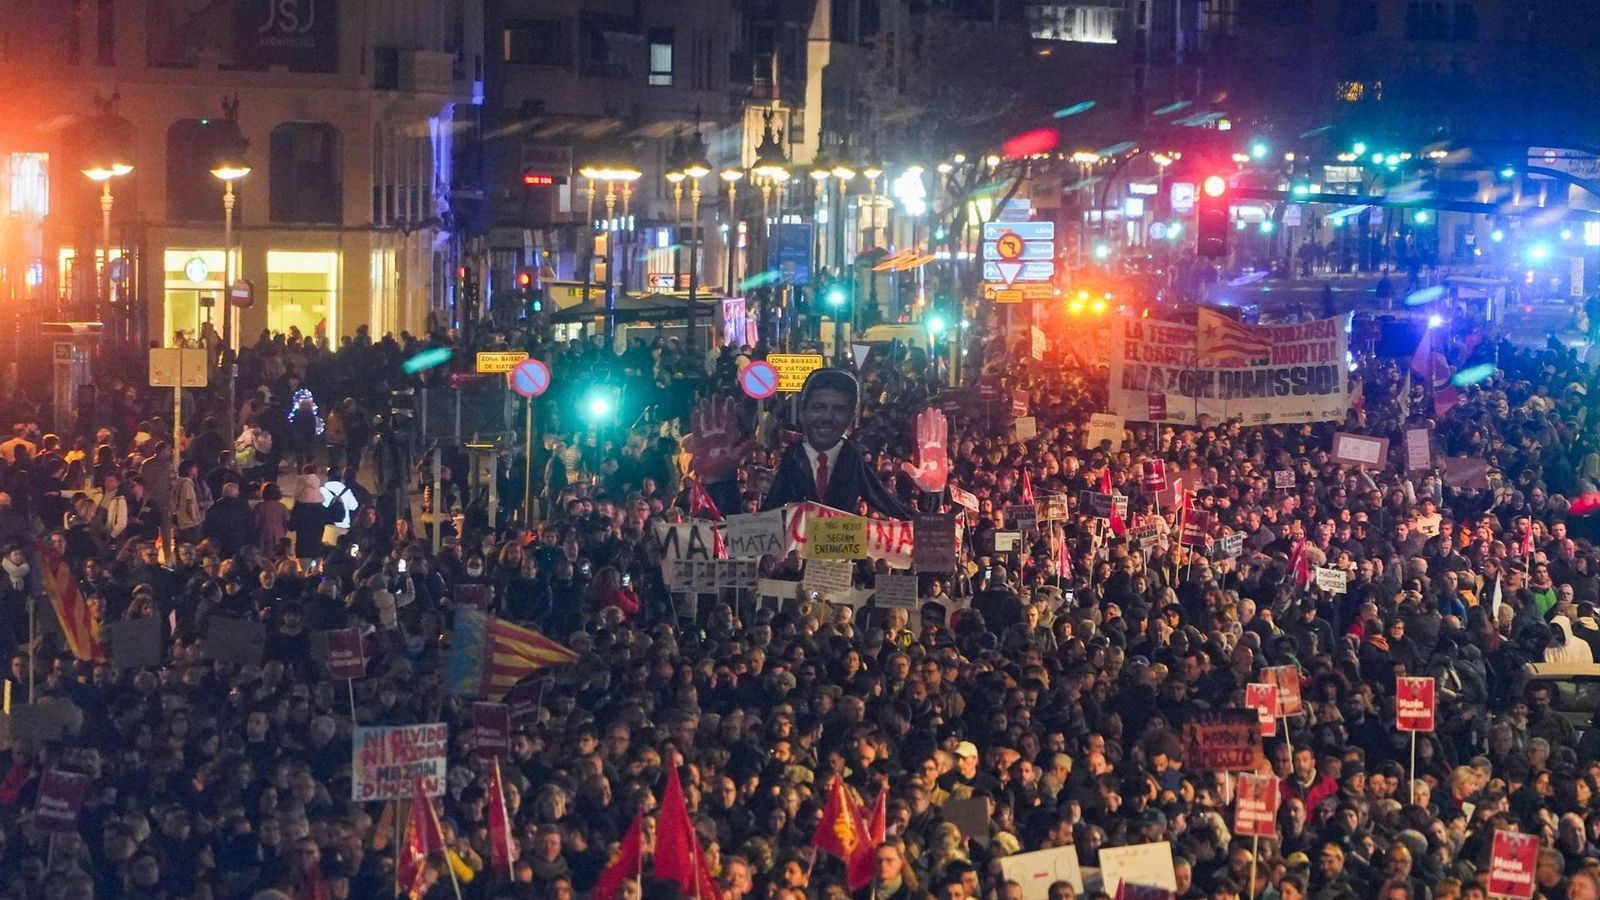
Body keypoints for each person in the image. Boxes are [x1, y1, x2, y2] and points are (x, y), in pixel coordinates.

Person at [762, 368, 913, 518]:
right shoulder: (794, 455)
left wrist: (920, 519)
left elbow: (881, 498)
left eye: (839, 410)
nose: (827, 417)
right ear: (803, 412)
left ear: (851, 416)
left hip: (841, 532)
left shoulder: (851, 456)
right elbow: (772, 504)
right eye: (819, 408)